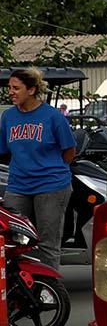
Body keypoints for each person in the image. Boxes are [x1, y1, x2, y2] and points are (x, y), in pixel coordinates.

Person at [3, 67, 78, 253]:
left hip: (51, 184)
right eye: (10, 87)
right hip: (18, 184)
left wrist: (51, 169)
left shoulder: (53, 117)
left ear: (31, 90)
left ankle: (49, 282)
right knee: (11, 237)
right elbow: (5, 150)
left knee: (47, 241)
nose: (11, 92)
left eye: (16, 88)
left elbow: (69, 150)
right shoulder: (8, 117)